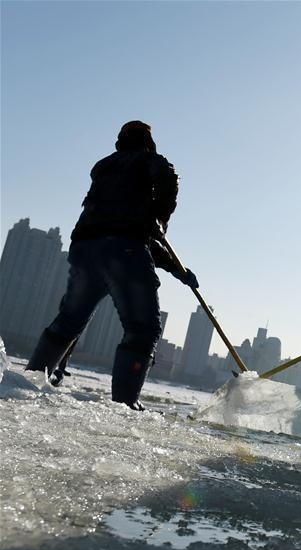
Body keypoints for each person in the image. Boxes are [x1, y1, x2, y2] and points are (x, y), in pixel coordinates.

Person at [26, 121, 196, 410]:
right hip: (123, 250)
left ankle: (29, 381)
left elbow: (129, 228)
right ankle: (125, 405)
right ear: (147, 141)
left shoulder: (104, 170)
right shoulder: (149, 162)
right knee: (142, 329)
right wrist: (160, 216)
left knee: (68, 321)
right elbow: (162, 188)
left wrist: (177, 270)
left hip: (85, 250)